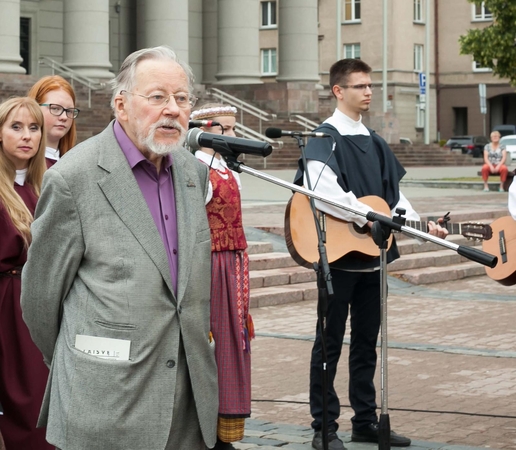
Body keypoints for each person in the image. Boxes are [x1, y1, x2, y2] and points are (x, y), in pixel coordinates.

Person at [20, 46, 218, 450]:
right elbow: (40, 299)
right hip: (106, 401)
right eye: (158, 97)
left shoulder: (193, 172)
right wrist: (83, 357)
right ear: (122, 105)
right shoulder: (74, 178)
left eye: (181, 99)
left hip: (187, 400)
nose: (172, 110)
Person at [293, 59, 448, 450]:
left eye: (370, 86)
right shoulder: (322, 139)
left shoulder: (376, 141)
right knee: (329, 341)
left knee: (366, 341)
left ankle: (365, 420)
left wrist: (420, 224)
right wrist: (370, 217)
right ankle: (323, 427)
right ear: (338, 91)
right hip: (338, 256)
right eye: (360, 86)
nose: (368, 92)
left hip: (373, 255)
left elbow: (394, 198)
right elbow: (324, 192)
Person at [191, 103, 253, 450]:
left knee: (233, 339)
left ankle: (224, 430)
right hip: (210, 265)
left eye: (233, 129)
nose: (232, 135)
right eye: (223, 129)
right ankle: (205, 427)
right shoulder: (198, 170)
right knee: (215, 340)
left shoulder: (230, 170)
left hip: (232, 263)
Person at [0, 97, 51, 449]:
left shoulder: (48, 183)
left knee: (48, 403)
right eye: (16, 127)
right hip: (7, 305)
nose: (27, 136)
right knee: (26, 402)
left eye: (34, 128)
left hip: (43, 304)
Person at [27, 75, 79, 168]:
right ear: (35, 108)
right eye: (55, 108)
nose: (64, 117)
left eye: (69, 111)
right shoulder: (20, 165)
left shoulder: (75, 164)